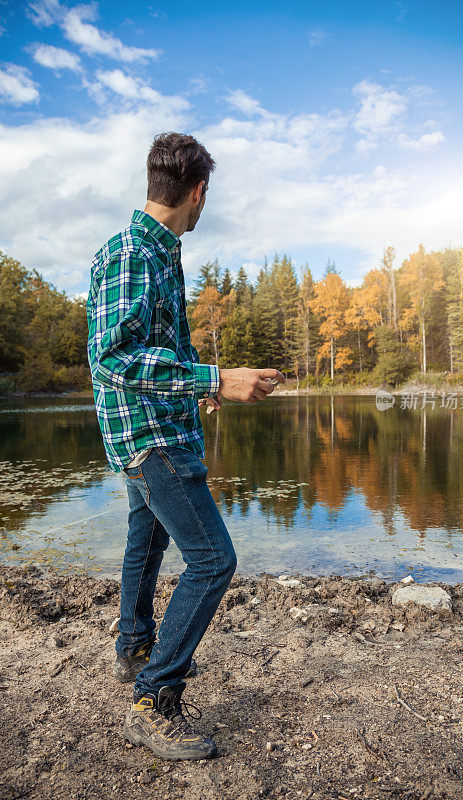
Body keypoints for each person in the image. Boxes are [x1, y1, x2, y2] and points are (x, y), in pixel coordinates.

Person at [86, 132, 285, 761]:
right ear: (197, 191)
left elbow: (158, 351)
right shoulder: (130, 254)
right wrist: (215, 379)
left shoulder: (158, 254)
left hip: (161, 425)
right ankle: (154, 698)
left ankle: (135, 647)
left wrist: (208, 388)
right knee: (213, 560)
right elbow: (115, 358)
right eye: (206, 196)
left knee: (146, 541)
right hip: (151, 437)